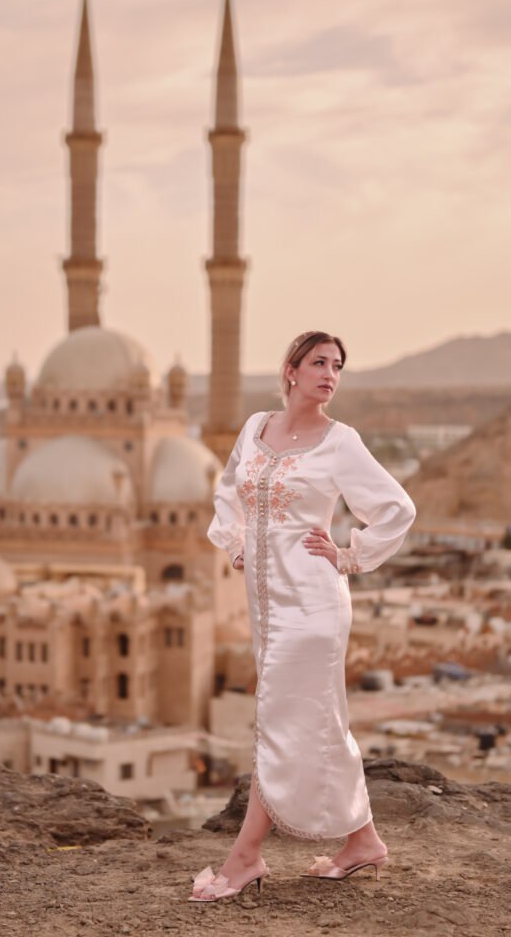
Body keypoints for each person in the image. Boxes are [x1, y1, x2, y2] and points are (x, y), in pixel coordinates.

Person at [189, 330, 416, 902]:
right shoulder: (254, 428)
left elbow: (397, 508)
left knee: (281, 719)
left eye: (338, 366)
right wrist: (236, 540)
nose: (330, 373)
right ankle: (363, 840)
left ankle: (244, 857)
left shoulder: (341, 442)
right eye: (318, 362)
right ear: (290, 369)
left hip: (314, 605)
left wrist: (349, 554)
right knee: (318, 721)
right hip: (266, 605)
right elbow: (229, 489)